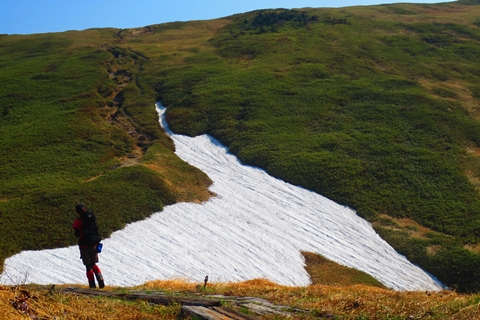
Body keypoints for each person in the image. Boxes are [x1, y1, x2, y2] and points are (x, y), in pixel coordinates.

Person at [73, 203, 105, 289]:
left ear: (77, 211)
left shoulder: (77, 221)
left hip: (84, 245)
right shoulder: (91, 217)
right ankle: (100, 278)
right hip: (94, 244)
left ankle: (92, 285)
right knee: (93, 263)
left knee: (88, 266)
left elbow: (76, 234)